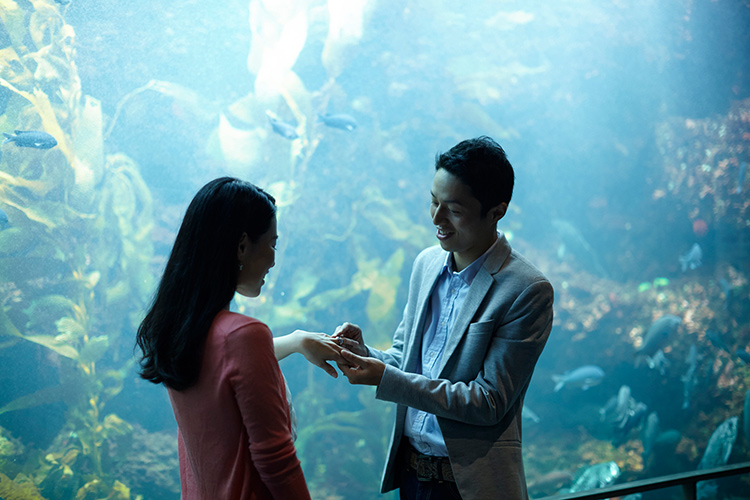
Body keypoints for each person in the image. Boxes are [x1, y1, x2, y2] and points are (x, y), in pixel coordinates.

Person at [333, 136, 554, 500]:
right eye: (433, 202)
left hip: (471, 488)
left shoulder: (527, 290)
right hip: (412, 477)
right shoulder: (425, 264)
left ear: (496, 211)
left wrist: (387, 378)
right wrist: (366, 354)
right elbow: (406, 361)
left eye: (453, 208)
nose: (436, 218)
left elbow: (488, 402)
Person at [135, 177, 345, 500]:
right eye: (272, 244)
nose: (274, 259)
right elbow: (277, 460)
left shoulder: (181, 332)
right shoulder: (244, 335)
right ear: (243, 246)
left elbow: (225, 371)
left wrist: (298, 342)